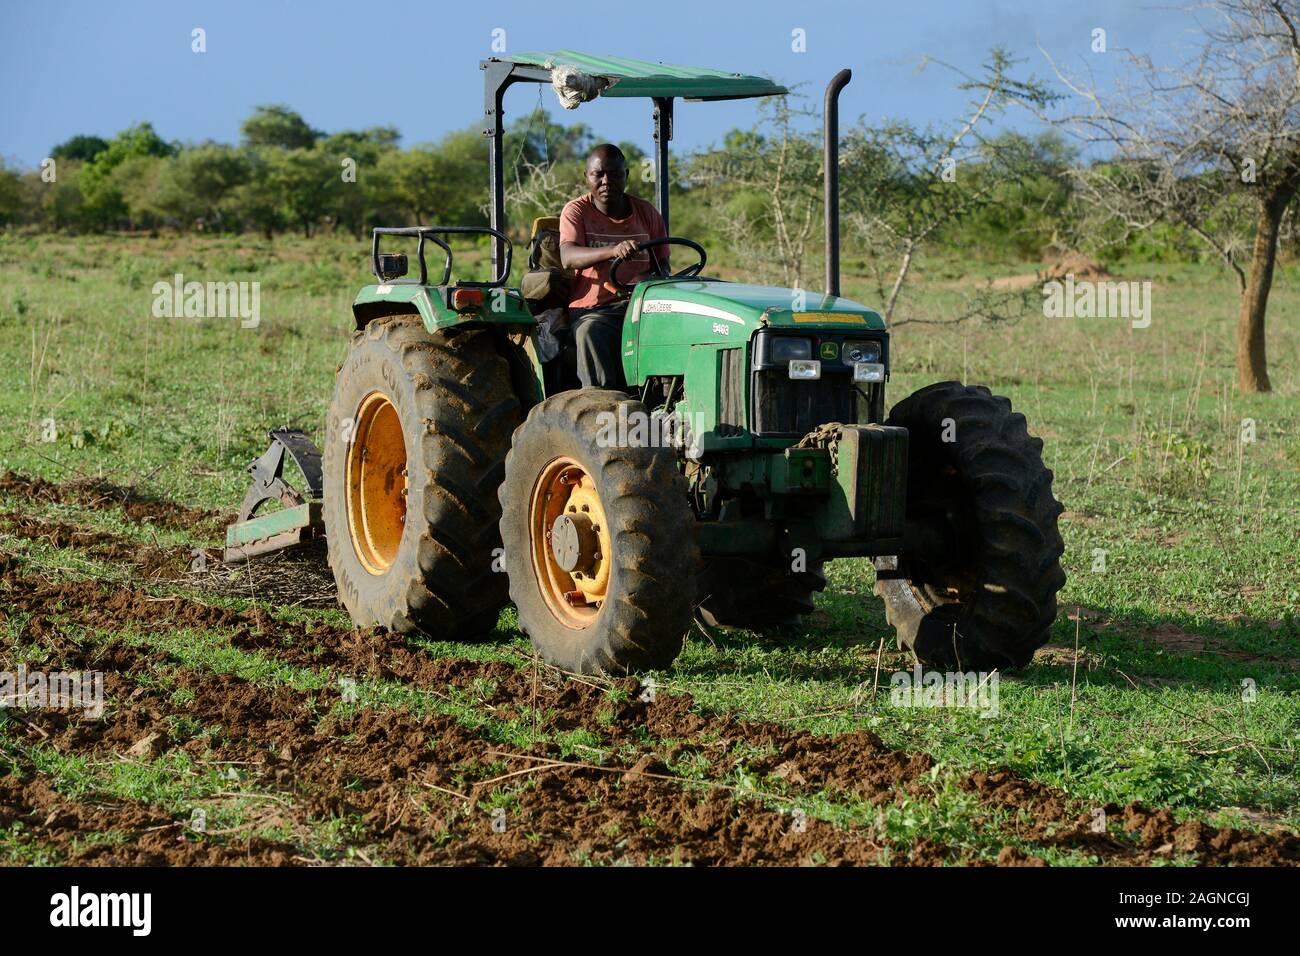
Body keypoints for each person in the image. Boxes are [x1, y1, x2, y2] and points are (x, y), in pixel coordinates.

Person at [559, 144, 668, 388]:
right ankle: (601, 405)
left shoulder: (646, 212)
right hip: (594, 310)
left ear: (626, 175)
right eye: (599, 174)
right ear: (587, 177)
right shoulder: (576, 211)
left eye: (615, 174)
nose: (607, 181)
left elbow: (663, 266)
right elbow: (568, 256)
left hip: (640, 307)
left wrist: (647, 281)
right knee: (589, 331)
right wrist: (612, 251)